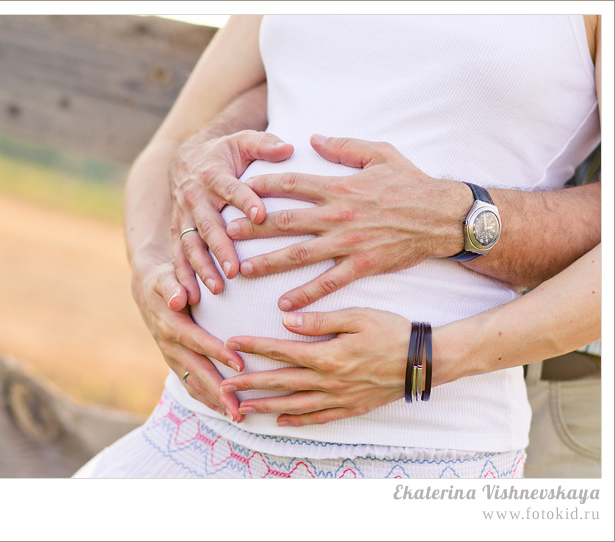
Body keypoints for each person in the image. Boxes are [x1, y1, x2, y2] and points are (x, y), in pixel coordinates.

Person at [77, 15, 601, 478]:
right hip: (195, 431)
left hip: (421, 455)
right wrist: (147, 272)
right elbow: (173, 142)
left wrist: (427, 359)